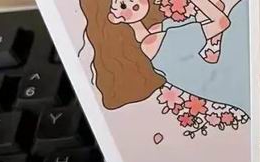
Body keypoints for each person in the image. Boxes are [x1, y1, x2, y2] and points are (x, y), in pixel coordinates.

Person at [80, 0, 249, 117]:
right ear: (114, 18)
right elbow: (221, 22)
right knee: (243, 11)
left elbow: (214, 14)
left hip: (230, 76)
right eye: (123, 5)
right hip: (234, 75)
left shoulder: (159, 30)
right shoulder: (155, 43)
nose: (134, 3)